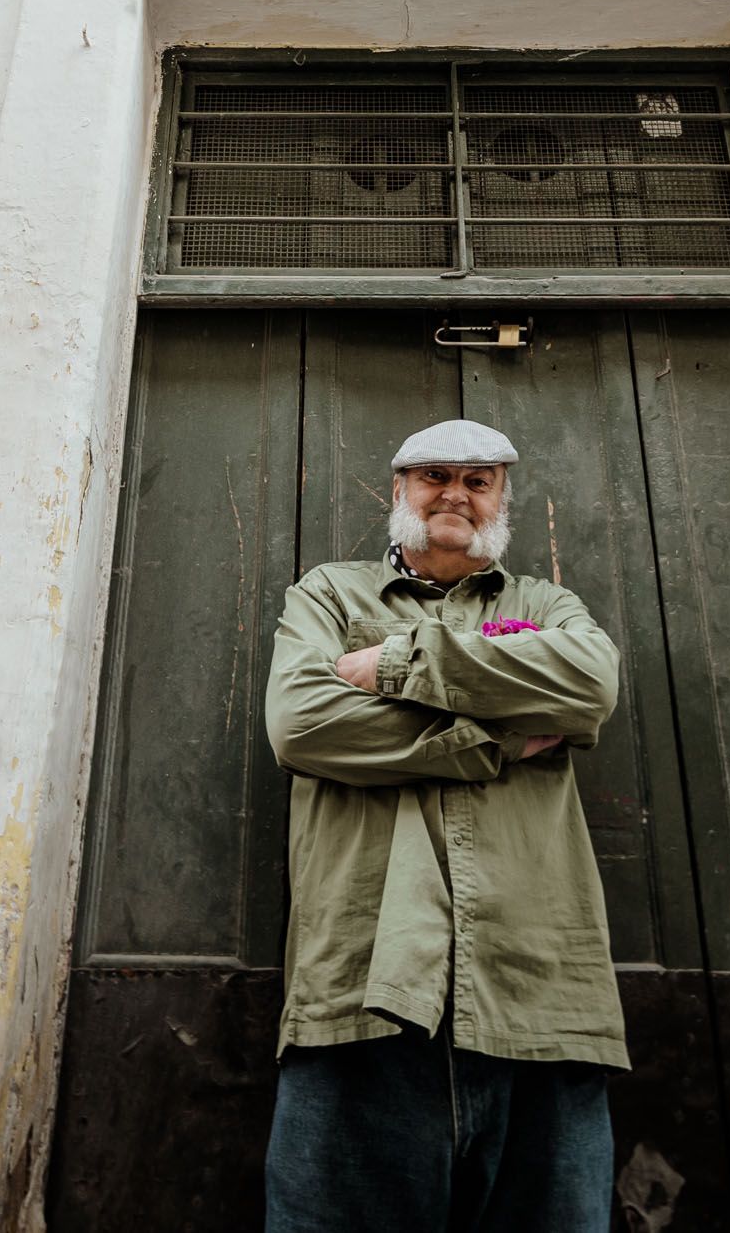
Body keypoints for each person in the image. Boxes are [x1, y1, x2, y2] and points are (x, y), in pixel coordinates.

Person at [262, 417, 626, 1233]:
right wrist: (497, 741)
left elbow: (591, 684)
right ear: (399, 489)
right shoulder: (329, 594)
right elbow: (302, 723)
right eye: (434, 475)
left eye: (477, 480)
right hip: (364, 988)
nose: (455, 492)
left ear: (501, 500)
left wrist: (394, 664)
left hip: (540, 996)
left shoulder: (545, 604)